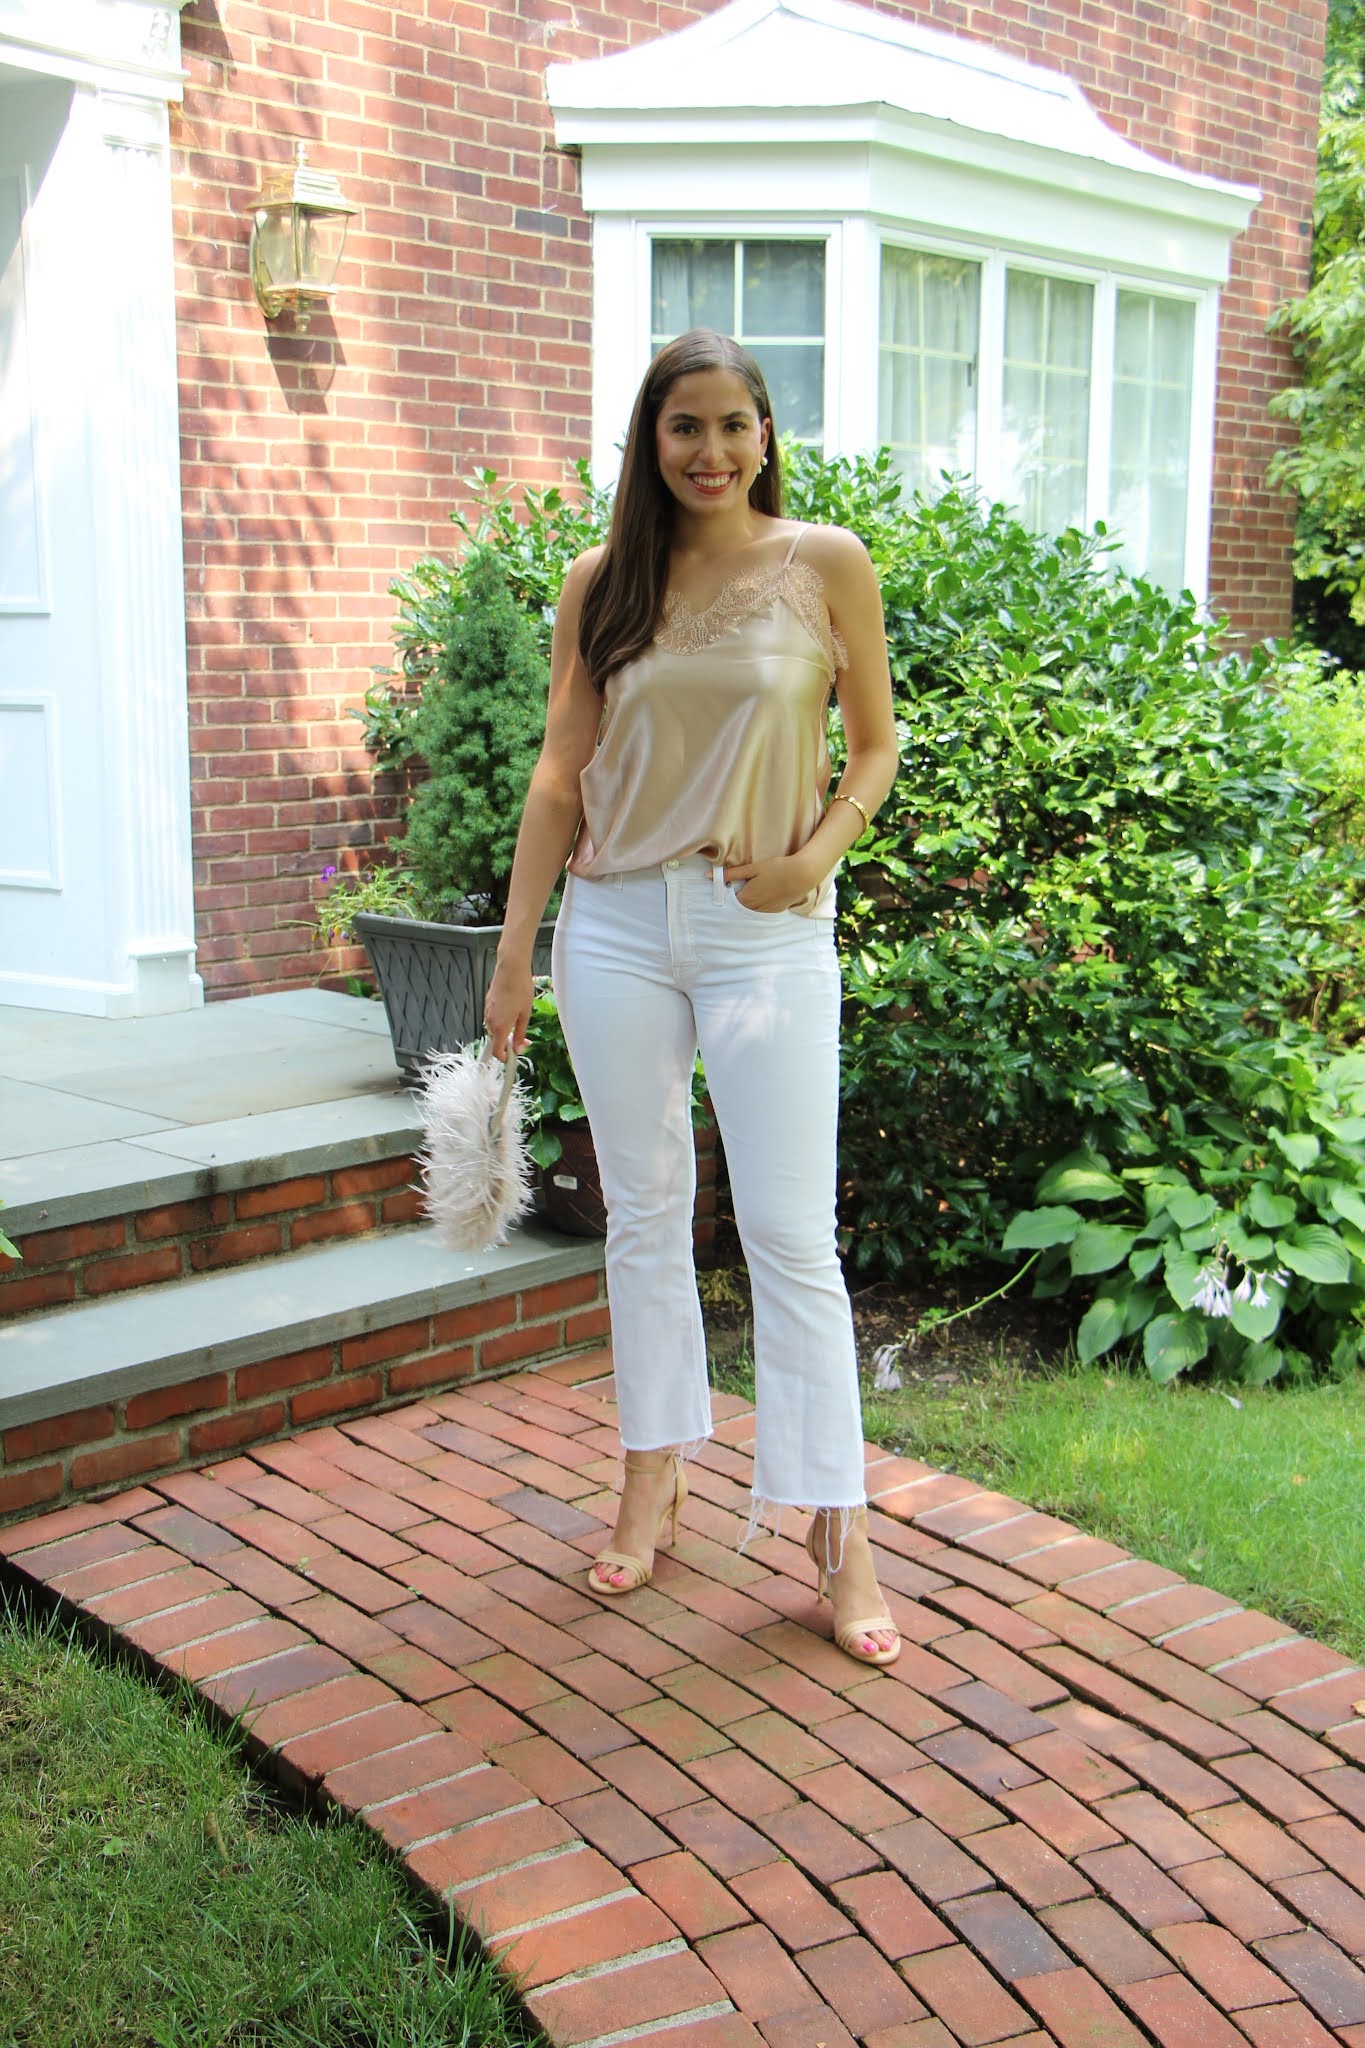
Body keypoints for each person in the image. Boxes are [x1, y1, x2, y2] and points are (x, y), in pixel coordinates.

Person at [483, 327, 901, 1666]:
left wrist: (811, 861)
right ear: (647, 443)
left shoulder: (822, 563)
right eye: (684, 428)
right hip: (611, 925)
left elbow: (877, 747)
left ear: (766, 435)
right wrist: (513, 949)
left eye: (733, 426)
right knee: (642, 1217)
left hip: (759, 930)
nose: (710, 451)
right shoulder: (599, 581)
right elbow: (561, 772)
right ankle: (650, 1474)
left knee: (787, 1235)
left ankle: (838, 1530)